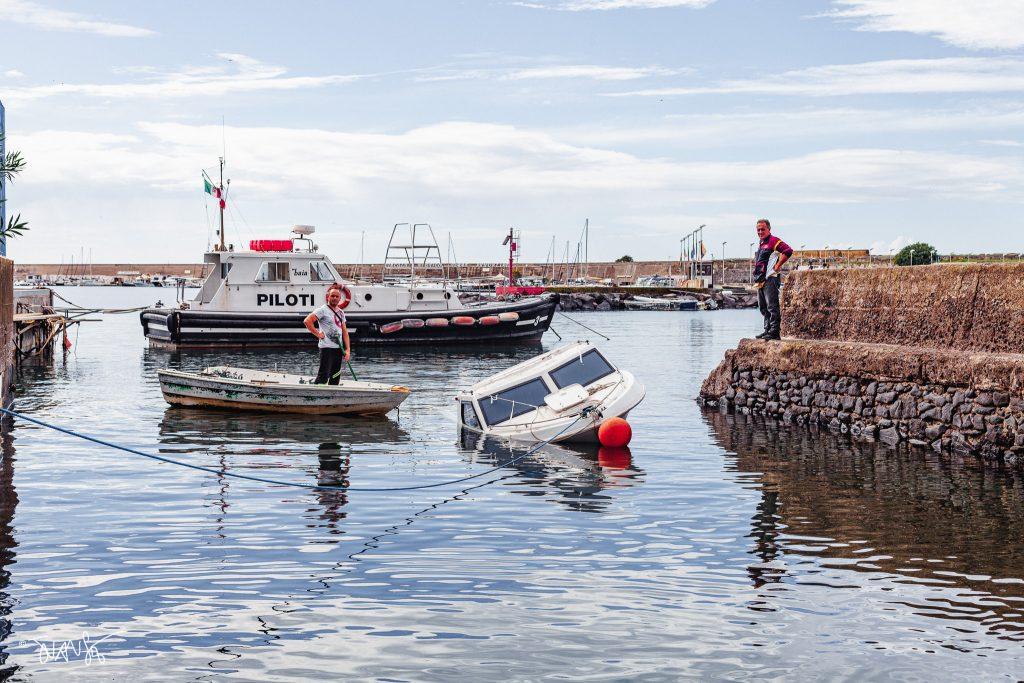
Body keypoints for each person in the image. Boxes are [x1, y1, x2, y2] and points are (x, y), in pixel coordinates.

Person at [752, 219, 793, 341]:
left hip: (771, 278)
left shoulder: (773, 240)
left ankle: (774, 332)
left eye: (762, 229)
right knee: (763, 307)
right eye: (758, 230)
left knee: (772, 306)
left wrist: (778, 265)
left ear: (769, 229)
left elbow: (788, 250)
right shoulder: (761, 242)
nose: (760, 232)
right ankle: (767, 330)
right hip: (760, 280)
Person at [303, 285, 351, 384]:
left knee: (335, 376)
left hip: (338, 348)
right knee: (323, 376)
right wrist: (317, 334)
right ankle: (317, 392)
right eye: (332, 296)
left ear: (340, 299)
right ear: (328, 297)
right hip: (326, 348)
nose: (334, 298)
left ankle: (333, 392)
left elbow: (345, 332)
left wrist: (348, 350)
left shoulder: (341, 312)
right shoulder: (322, 310)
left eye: (337, 296)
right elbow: (307, 321)